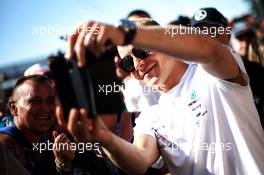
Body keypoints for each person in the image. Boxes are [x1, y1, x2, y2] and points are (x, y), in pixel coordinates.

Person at [64, 8, 264, 175]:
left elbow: (211, 51)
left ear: (163, 43)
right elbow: (139, 160)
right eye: (128, 62)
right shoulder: (151, 116)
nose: (138, 64)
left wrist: (124, 33)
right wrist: (104, 138)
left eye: (141, 50)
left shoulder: (210, 74)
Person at [0, 75, 74, 175]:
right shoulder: (5, 147)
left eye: (50, 100)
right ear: (14, 108)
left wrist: (64, 165)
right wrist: (62, 165)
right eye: (36, 101)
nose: (46, 109)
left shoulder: (49, 140)